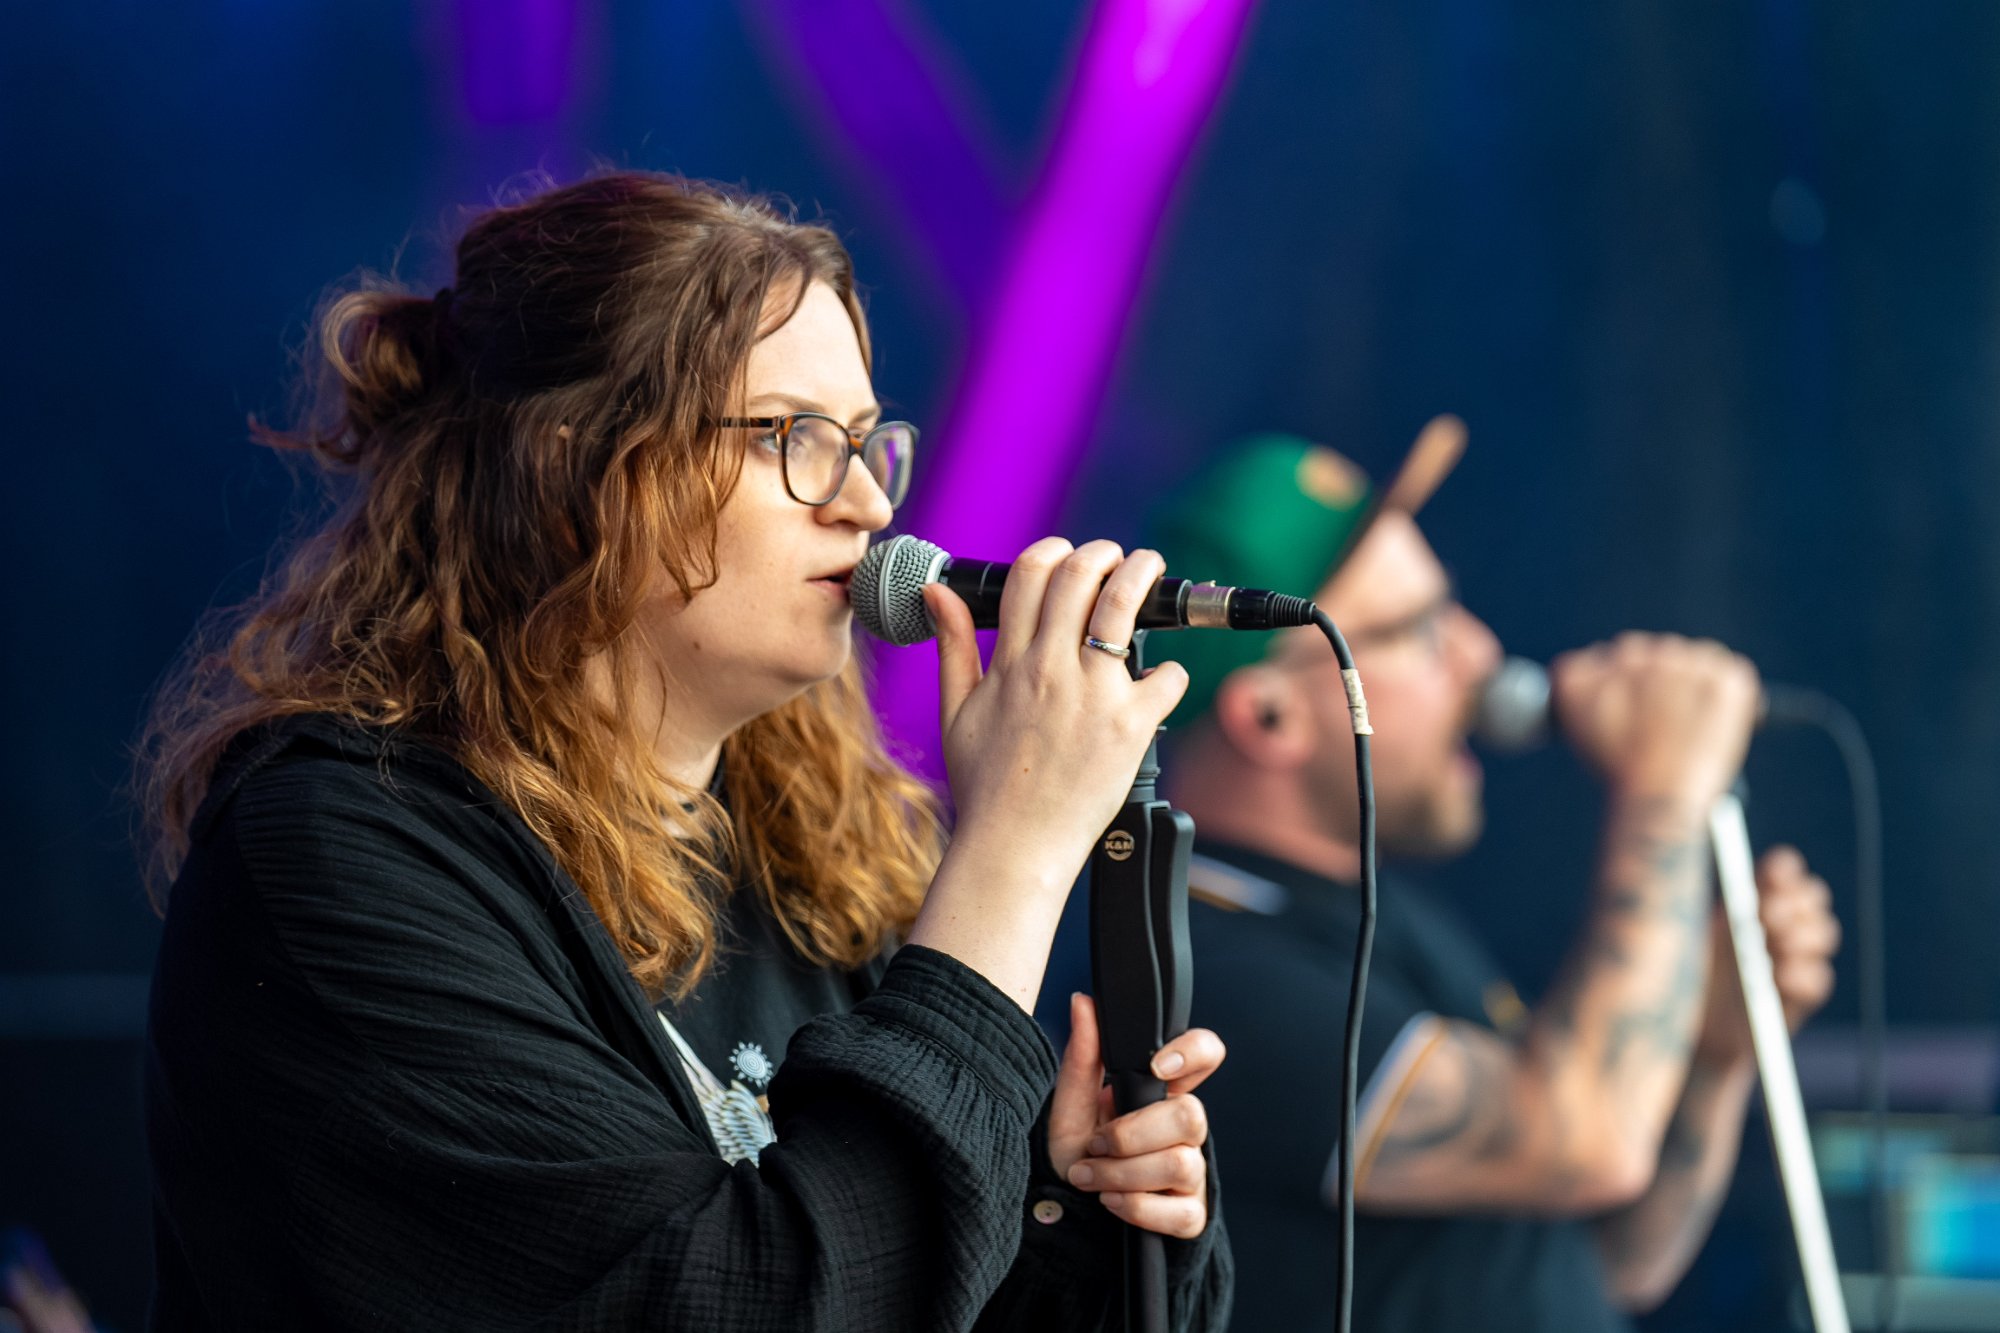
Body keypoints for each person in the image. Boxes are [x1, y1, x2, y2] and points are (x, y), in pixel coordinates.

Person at [136, 172, 1231, 1330]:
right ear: (574, 477)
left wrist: (1065, 1218)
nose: (868, 506)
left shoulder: (813, 857)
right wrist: (1010, 854)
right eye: (792, 436)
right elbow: (749, 1303)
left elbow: (911, 1291)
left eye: (867, 445)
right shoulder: (340, 856)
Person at [1139, 424, 1840, 1331]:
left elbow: (1618, 1260)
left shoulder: (1391, 920)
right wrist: (1665, 783)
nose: (1477, 654)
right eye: (1416, 630)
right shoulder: (1203, 973)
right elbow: (1587, 1140)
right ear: (1270, 717)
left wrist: (1713, 1051)